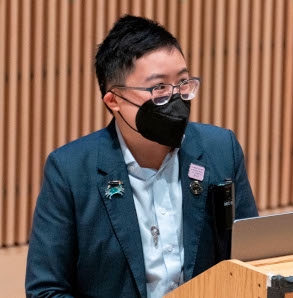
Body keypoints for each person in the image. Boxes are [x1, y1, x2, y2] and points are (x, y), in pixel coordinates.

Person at [25, 14, 258, 298]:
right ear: (114, 101)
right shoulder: (71, 171)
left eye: (183, 83)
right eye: (158, 88)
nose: (175, 99)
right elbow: (46, 290)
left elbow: (252, 263)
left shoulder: (220, 149)